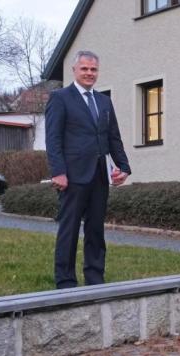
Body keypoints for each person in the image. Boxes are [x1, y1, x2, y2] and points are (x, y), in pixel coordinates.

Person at [45, 50, 131, 289]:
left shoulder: (104, 101)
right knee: (69, 230)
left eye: (93, 69)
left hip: (99, 175)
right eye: (84, 69)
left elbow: (113, 137)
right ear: (74, 70)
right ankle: (65, 282)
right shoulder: (60, 98)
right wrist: (58, 171)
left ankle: (95, 278)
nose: (89, 73)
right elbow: (52, 139)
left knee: (95, 230)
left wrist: (124, 167)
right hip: (72, 176)